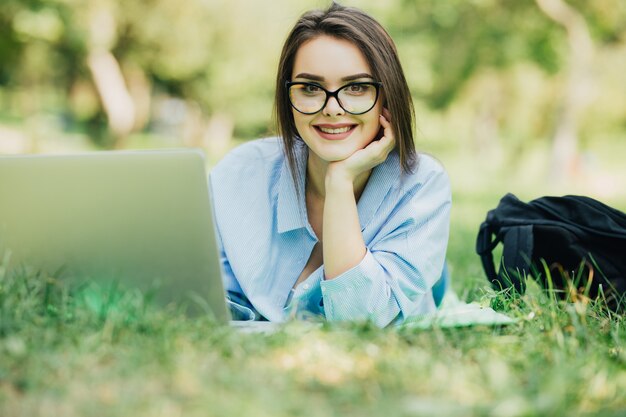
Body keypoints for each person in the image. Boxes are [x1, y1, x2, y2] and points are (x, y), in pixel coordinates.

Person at [209, 2, 451, 327]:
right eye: (310, 88)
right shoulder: (238, 174)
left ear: (386, 97)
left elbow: (359, 320)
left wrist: (340, 181)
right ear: (288, 98)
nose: (332, 108)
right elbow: (204, 301)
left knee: (431, 279)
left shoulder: (423, 185)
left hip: (416, 270)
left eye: (356, 87)